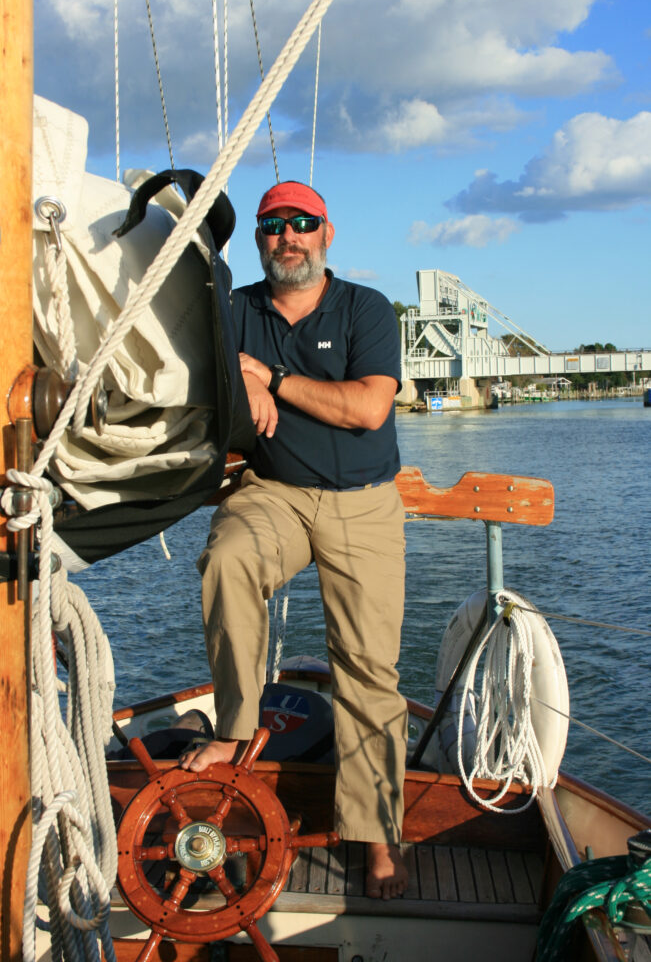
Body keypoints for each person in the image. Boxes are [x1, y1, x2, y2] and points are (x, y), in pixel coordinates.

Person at [180, 180, 408, 899]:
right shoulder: (234, 308)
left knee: (369, 672)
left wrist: (269, 378)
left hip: (362, 505)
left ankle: (373, 836)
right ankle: (235, 727)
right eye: (273, 226)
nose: (288, 237)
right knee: (227, 556)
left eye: (301, 223)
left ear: (327, 233)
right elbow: (201, 389)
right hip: (274, 493)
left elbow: (368, 409)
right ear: (259, 240)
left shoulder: (364, 308)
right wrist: (233, 383)